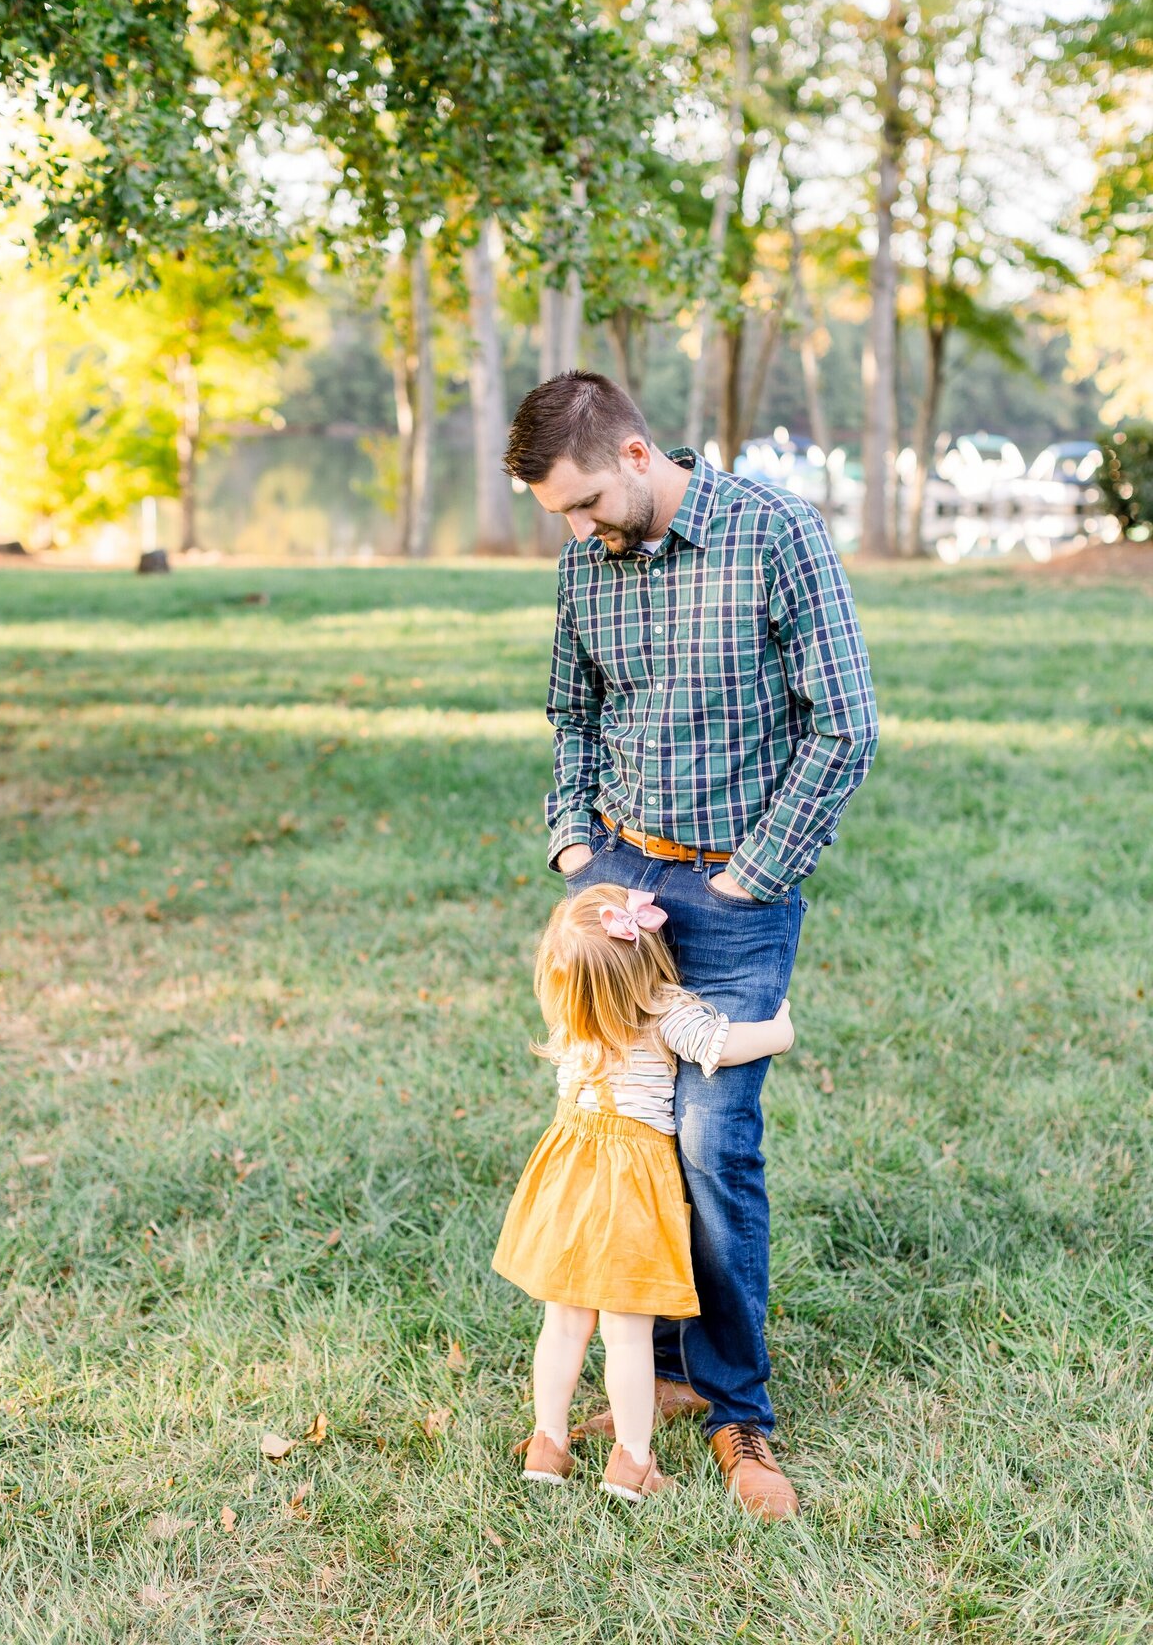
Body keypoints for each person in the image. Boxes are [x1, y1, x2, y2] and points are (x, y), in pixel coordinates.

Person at [502, 370, 879, 1519]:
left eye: (582, 506)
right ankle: (648, 1372)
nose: (574, 532)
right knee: (619, 1133)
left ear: (635, 454)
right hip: (617, 873)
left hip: (734, 885)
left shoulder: (774, 535)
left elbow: (845, 726)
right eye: (557, 516)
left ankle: (736, 1412)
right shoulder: (586, 562)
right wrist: (578, 848)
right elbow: (573, 714)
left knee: (713, 1154)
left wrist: (750, 874)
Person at [493, 883, 795, 1502]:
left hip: (570, 1171)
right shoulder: (665, 1010)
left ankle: (549, 1442)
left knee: (565, 1320)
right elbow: (723, 1045)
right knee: (627, 1331)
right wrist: (780, 1031)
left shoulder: (570, 1016)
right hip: (630, 1183)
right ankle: (633, 1461)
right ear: (649, 957)